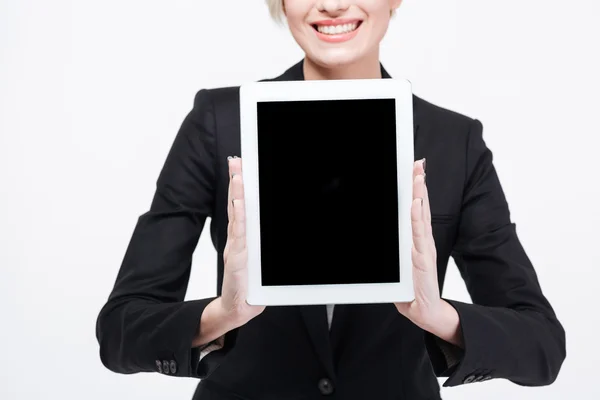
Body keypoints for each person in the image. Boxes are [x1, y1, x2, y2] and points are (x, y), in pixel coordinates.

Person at [95, 1, 566, 399]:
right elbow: (121, 330)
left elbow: (541, 345)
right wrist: (224, 313)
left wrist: (436, 315)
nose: (333, 3)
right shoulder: (219, 123)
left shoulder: (454, 141)